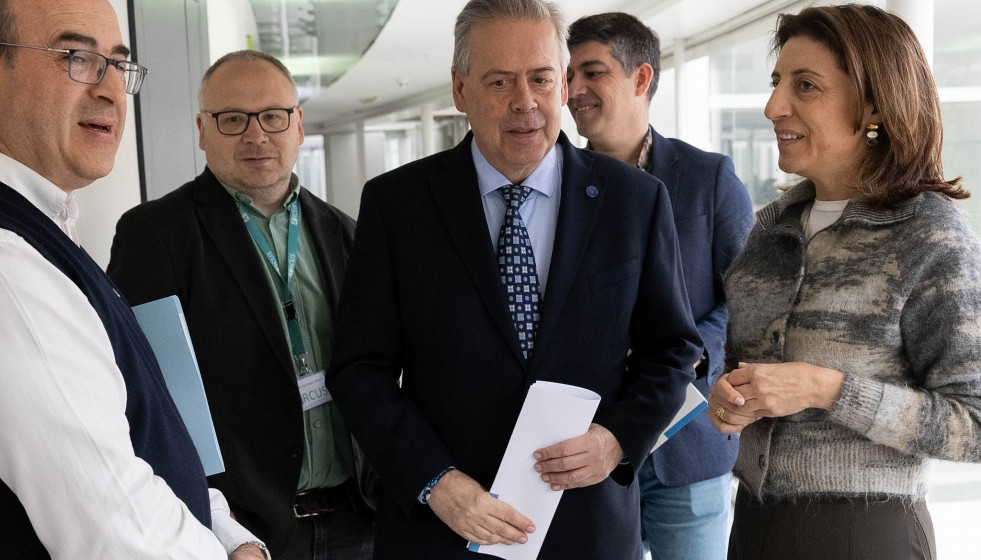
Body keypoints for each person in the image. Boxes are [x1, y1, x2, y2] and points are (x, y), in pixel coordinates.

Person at [326, 0, 704, 558]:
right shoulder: (397, 205)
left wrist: (615, 441)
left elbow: (673, 350)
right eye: (499, 81)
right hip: (443, 529)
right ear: (460, 90)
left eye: (541, 79)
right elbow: (360, 370)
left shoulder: (634, 201)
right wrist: (435, 482)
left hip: (587, 525)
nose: (524, 102)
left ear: (564, 84)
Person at [709, 5, 981, 559]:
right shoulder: (770, 230)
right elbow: (743, 368)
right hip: (754, 523)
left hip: (865, 532)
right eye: (776, 82)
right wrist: (727, 397)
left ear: (874, 104)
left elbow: (974, 422)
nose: (773, 107)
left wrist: (825, 388)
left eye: (806, 86)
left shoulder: (927, 232)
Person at [0, 1, 267, 558]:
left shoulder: (50, 232)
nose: (109, 90)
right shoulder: (11, 267)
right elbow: (114, 527)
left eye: (118, 65)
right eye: (75, 57)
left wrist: (227, 533)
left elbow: (142, 434)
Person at [107, 50, 373, 559]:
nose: (257, 135)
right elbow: (144, 397)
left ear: (298, 125)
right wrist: (216, 526)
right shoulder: (156, 235)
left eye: (273, 116)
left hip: (358, 520)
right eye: (233, 119)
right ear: (203, 130)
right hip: (245, 531)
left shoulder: (344, 231)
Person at [566, 12, 753, 559]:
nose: (573, 90)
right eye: (569, 74)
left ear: (641, 78)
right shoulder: (552, 185)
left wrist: (689, 350)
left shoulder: (709, 178)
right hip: (587, 443)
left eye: (592, 72)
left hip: (686, 447)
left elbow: (745, 300)